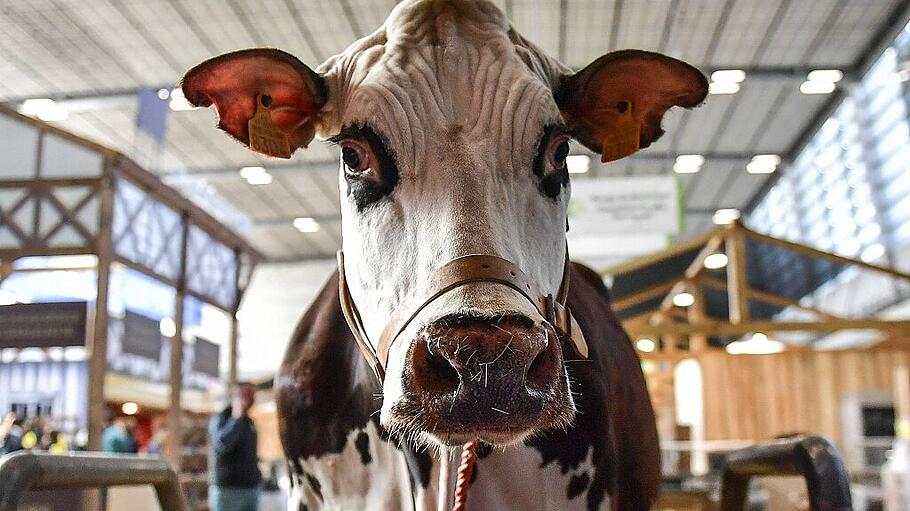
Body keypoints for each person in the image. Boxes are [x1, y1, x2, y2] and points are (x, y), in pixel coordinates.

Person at [209, 382, 261, 511]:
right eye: (247, 395)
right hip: (228, 491)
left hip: (250, 488)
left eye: (253, 395)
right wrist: (236, 418)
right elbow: (222, 445)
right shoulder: (221, 419)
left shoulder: (249, 422)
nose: (251, 399)